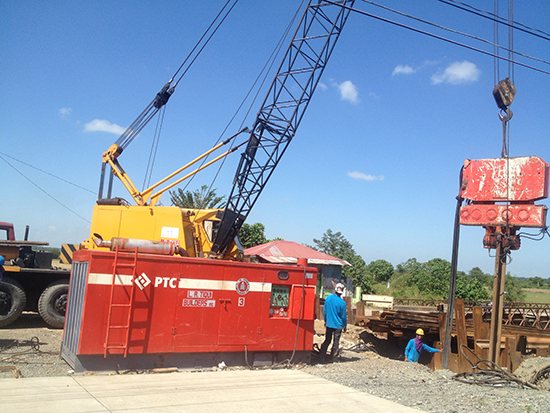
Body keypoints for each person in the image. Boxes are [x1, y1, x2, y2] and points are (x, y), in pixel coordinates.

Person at [320, 282, 347, 362]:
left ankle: (322, 357)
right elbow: (343, 316)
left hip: (329, 324)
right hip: (338, 325)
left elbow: (324, 311)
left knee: (327, 340)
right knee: (336, 342)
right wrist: (345, 325)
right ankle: (333, 358)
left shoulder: (328, 298)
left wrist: (325, 320)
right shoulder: (342, 303)